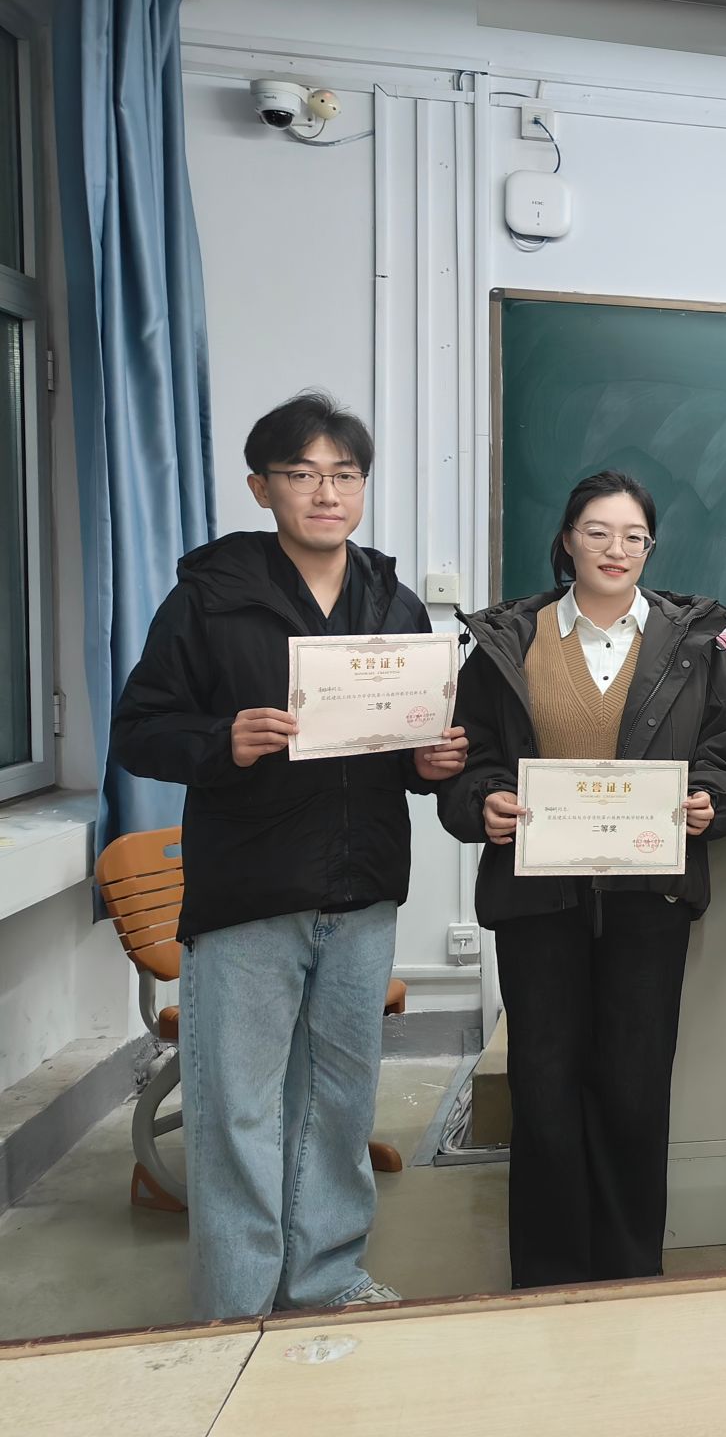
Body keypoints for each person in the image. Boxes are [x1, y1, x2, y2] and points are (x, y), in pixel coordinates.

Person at [110, 392, 467, 1319]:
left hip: (362, 888)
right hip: (249, 892)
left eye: (344, 475)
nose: (326, 493)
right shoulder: (209, 599)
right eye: (302, 474)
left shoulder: (393, 603)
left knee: (339, 1100)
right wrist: (221, 739)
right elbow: (139, 731)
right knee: (236, 1109)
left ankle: (326, 1277)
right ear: (260, 487)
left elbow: (404, 745)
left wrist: (428, 763)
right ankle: (237, 1304)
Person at [437, 469, 726, 1288]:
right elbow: (471, 757)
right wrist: (483, 801)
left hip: (648, 901)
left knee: (636, 1090)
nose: (617, 550)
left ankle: (626, 1272)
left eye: (634, 536)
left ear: (651, 547)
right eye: (599, 532)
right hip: (538, 900)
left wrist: (710, 800)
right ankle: (548, 1277)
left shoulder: (694, 646)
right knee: (544, 1086)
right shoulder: (510, 642)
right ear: (569, 539)